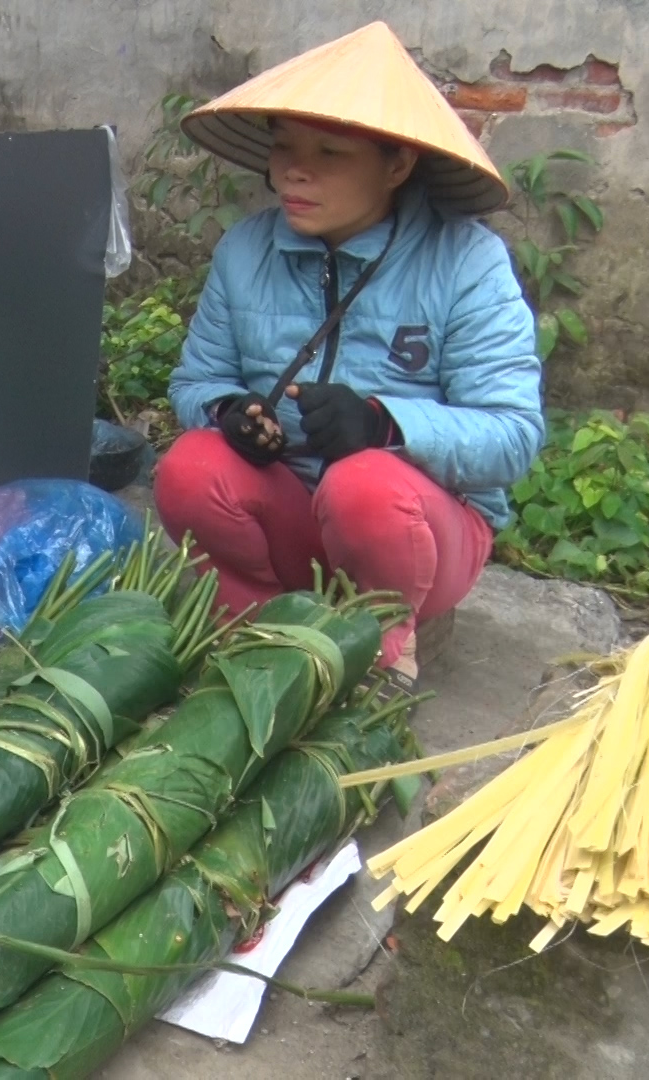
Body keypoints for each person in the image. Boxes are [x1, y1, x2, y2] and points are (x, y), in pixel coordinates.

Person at [153, 22, 544, 691]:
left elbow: (513, 437)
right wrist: (228, 411)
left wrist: (384, 426)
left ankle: (381, 647)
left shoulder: (467, 262)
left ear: (397, 165)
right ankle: (267, 625)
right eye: (283, 148)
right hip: (291, 514)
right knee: (188, 468)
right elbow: (198, 379)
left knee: (363, 486)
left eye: (329, 153)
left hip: (410, 527)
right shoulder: (247, 251)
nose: (292, 173)